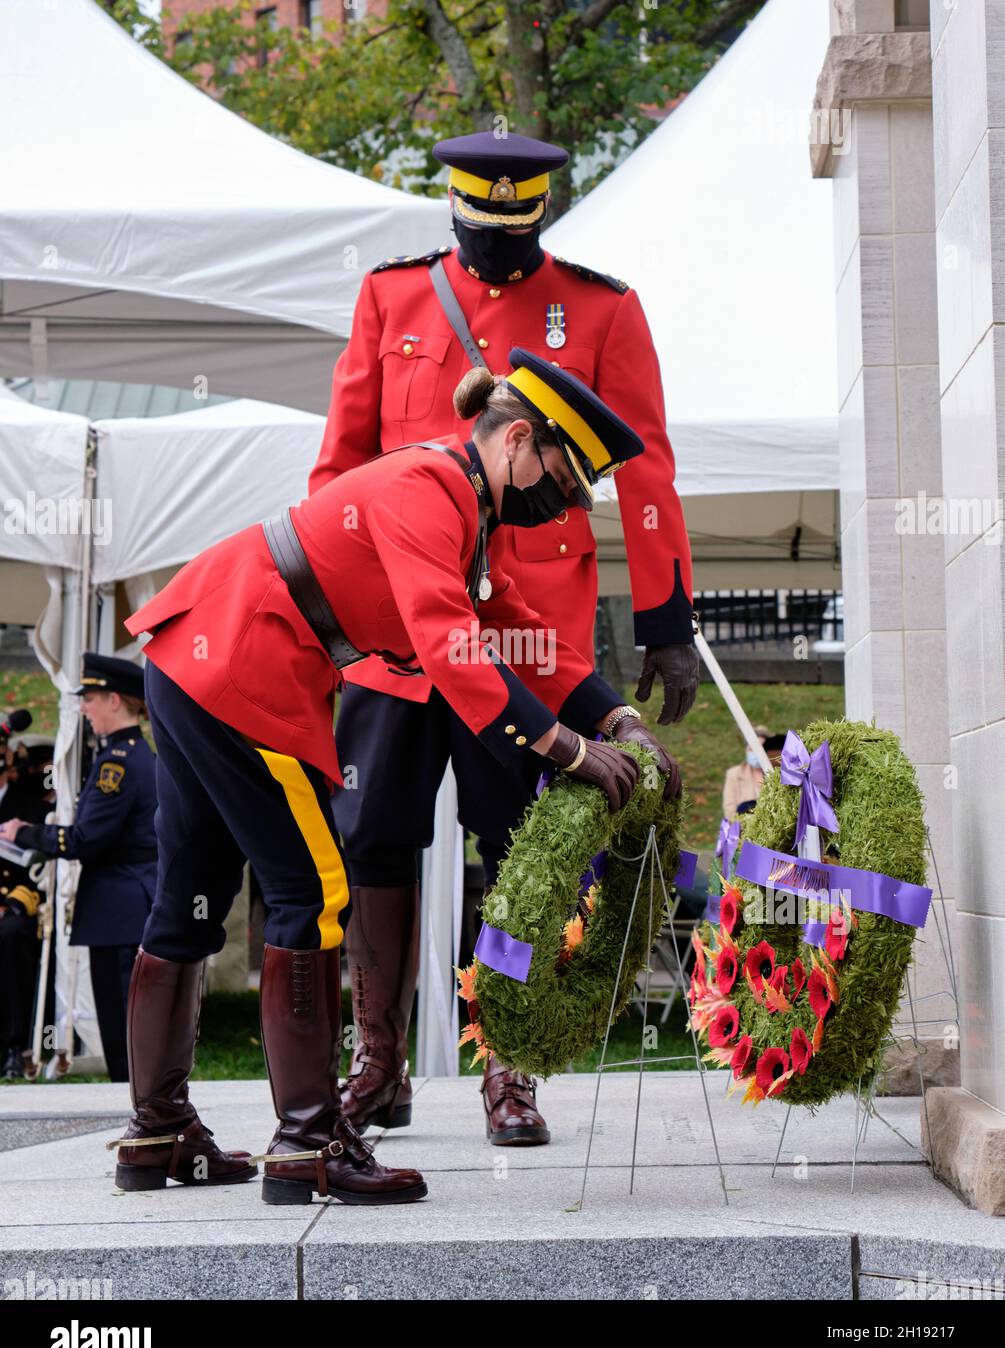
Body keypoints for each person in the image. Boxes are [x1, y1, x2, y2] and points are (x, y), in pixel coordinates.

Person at [117, 350, 679, 1206]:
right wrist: (564, 750)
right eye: (562, 482)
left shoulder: (462, 508)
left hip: (196, 653)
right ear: (518, 439)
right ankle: (308, 1146)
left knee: (189, 891)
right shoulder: (433, 490)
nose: (562, 504)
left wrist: (616, 719)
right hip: (242, 665)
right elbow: (450, 644)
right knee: (314, 893)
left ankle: (155, 1133)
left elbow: (516, 628)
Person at [311, 128, 698, 1146]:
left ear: (541, 217)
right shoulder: (392, 297)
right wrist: (340, 619)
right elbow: (339, 470)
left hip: (532, 644)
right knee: (377, 839)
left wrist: (665, 624)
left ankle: (509, 1063)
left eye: (509, 234)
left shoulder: (603, 308)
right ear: (453, 212)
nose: (490, 254)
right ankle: (379, 1058)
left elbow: (647, 472)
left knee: (523, 846)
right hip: (400, 638)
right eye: (475, 232)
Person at [0, 656, 157, 1082]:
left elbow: (85, 839)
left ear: (112, 700)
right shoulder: (135, 755)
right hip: (129, 904)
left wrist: (25, 833)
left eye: (89, 699)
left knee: (124, 1034)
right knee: (134, 1031)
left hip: (118, 909)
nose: (84, 708)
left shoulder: (116, 765)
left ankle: (143, 1119)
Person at [0, 731, 49, 1080]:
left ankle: (16, 1046)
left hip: (14, 905)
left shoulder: (29, 805)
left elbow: (39, 868)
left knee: (11, 934)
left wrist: (10, 904)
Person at [722, 724, 772, 821]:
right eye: (751, 749)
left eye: (760, 749)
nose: (755, 753)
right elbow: (730, 812)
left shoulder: (777, 775)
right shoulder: (734, 774)